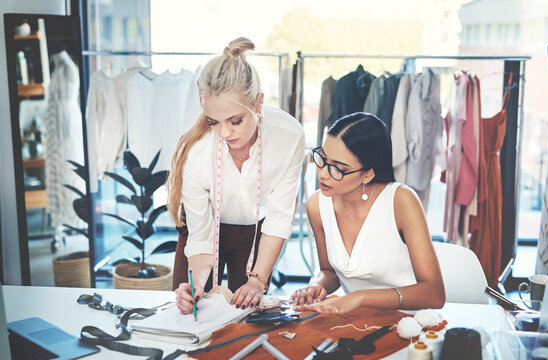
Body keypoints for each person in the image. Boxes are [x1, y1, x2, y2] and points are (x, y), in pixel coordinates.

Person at [167, 37, 305, 314]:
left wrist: (257, 281)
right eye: (213, 122)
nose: (225, 133)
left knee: (245, 316)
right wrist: (194, 287)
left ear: (258, 103)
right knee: (188, 308)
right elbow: (202, 235)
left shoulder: (289, 137)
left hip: (255, 231)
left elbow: (279, 218)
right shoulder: (196, 152)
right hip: (203, 230)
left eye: (235, 121)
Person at [291, 112, 445, 314]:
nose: (322, 173)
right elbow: (330, 271)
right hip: (352, 322)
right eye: (323, 159)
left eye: (338, 168)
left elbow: (434, 294)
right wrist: (318, 284)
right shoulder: (317, 205)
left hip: (406, 322)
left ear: (367, 174)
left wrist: (360, 298)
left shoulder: (401, 201)